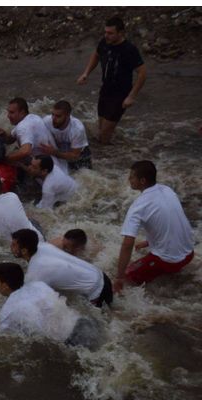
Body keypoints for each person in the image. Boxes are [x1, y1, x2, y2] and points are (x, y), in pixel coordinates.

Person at [114, 160, 194, 292]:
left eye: (132, 176)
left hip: (168, 261)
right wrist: (149, 241)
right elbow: (172, 220)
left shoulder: (138, 206)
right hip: (189, 254)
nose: (129, 179)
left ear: (142, 181)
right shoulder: (167, 190)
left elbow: (127, 244)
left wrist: (119, 277)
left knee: (128, 277)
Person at [0, 263, 100, 349]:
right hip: (84, 323)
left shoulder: (7, 312)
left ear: (5, 286)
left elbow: (2, 341)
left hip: (71, 342)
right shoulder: (39, 284)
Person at [77, 16, 147, 145]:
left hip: (120, 94)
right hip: (105, 90)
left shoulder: (129, 50)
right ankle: (113, 149)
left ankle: (106, 159)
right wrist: (86, 73)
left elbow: (142, 73)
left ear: (120, 33)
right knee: (100, 129)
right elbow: (96, 55)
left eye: (110, 33)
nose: (106, 35)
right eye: (105, 32)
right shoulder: (104, 43)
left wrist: (131, 96)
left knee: (104, 135)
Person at [11, 229, 112, 307]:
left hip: (97, 293)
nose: (11, 247)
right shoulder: (44, 246)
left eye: (14, 245)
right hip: (101, 275)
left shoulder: (36, 273)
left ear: (24, 251)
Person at [0, 97, 57, 164]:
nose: (8, 116)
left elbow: (26, 151)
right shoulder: (33, 117)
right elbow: (11, 139)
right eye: (8, 112)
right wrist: (4, 134)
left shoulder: (23, 127)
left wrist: (5, 160)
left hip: (42, 165)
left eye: (12, 112)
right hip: (52, 160)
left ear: (22, 112)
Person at [41, 100, 92, 172]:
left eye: (58, 116)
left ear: (68, 116)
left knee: (83, 176)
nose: (53, 119)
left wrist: (55, 152)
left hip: (80, 155)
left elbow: (75, 156)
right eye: (53, 114)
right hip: (60, 150)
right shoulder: (46, 121)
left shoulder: (77, 129)